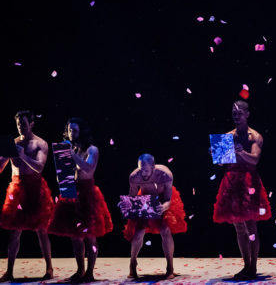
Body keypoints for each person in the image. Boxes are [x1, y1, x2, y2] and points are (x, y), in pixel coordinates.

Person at [48, 117, 113, 282]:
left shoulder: (92, 149)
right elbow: (62, 173)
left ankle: (90, 272)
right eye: (70, 130)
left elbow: (88, 167)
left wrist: (71, 155)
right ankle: (80, 271)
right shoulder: (67, 148)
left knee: (90, 234)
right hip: (71, 192)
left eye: (75, 130)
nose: (72, 133)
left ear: (82, 132)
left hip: (87, 193)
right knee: (75, 236)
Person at [213, 100, 272, 280]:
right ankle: (246, 265)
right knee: (238, 226)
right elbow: (222, 161)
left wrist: (241, 152)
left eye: (239, 113)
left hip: (248, 181)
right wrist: (215, 154)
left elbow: (254, 160)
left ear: (247, 114)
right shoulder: (227, 135)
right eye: (233, 113)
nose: (235, 116)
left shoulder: (255, 136)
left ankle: (253, 266)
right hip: (231, 180)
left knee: (251, 225)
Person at [0, 110, 55, 281]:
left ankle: (49, 269)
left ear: (31, 124)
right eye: (18, 125)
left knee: (41, 230)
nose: (20, 128)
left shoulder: (40, 144)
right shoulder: (13, 143)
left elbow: (39, 167)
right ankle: (9, 271)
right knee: (14, 232)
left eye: (23, 124)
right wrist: (3, 156)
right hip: (17, 187)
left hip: (35, 187)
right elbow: (0, 168)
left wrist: (22, 156)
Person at [122, 154, 187, 279]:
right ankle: (132, 263)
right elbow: (132, 198)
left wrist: (163, 207)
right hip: (145, 199)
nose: (144, 174)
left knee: (165, 230)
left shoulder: (165, 175)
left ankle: (170, 267)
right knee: (139, 231)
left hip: (162, 200)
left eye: (146, 170)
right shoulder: (134, 177)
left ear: (153, 167)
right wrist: (127, 204)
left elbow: (168, 199)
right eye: (141, 170)